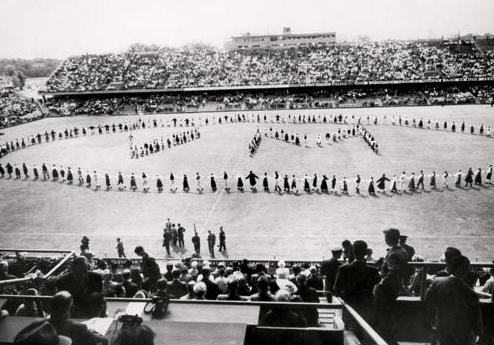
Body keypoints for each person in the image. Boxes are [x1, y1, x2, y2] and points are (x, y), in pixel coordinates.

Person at [425, 256, 484, 345]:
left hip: (441, 330)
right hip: (462, 336)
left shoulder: (437, 282)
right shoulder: (472, 294)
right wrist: (479, 333)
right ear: (466, 270)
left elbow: (427, 298)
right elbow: (477, 321)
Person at [333, 240, 381, 321]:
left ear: (352, 251)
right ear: (366, 253)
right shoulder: (373, 270)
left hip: (349, 305)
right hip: (367, 306)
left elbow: (336, 289)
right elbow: (377, 281)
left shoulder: (343, 269)